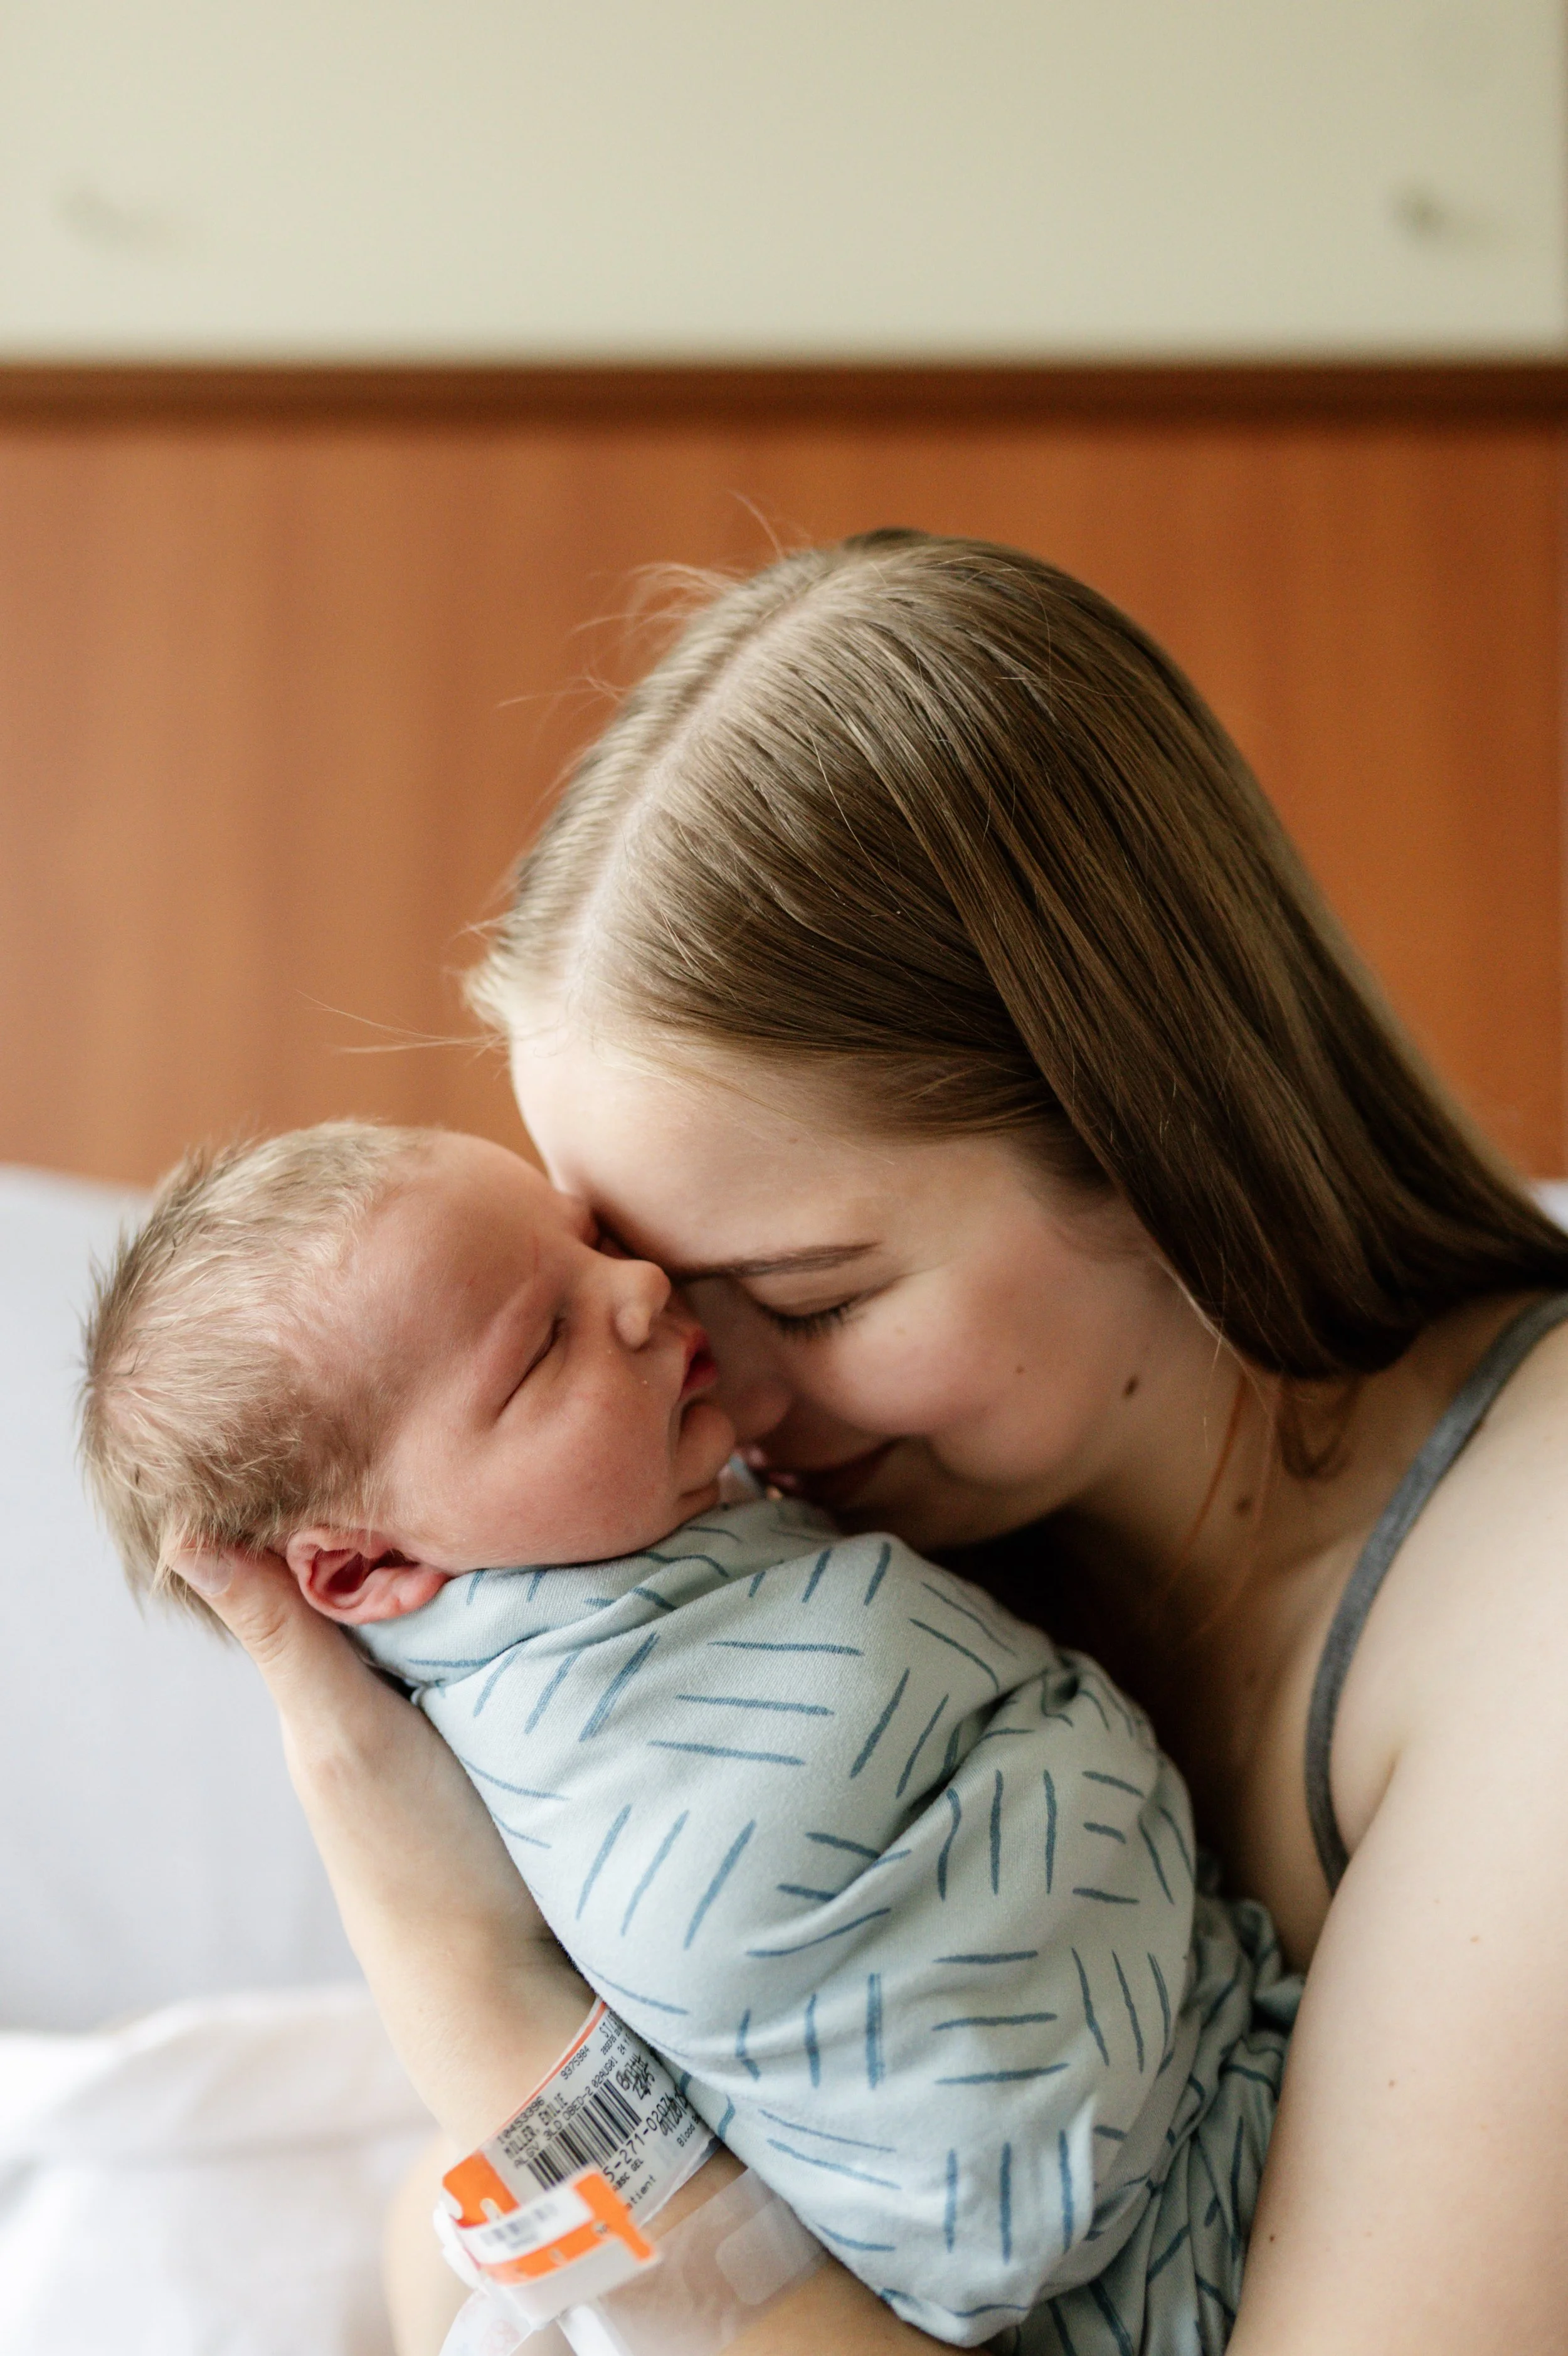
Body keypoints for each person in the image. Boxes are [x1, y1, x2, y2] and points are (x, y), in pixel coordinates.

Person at [171, 533, 1568, 2356]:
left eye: (810, 1298)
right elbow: (428, 2275)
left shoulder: (1524, 1625)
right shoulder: (791, 1589)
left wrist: (494, 2015)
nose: (720, 1406)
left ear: (1154, 1137)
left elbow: (533, 2188)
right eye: (638, 1286)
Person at [81, 1118, 1293, 2348]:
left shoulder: (639, 1539)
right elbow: (730, 1902)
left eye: (589, 1240)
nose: (641, 1284)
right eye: (543, 1342)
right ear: (364, 1567)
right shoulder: (585, 1733)